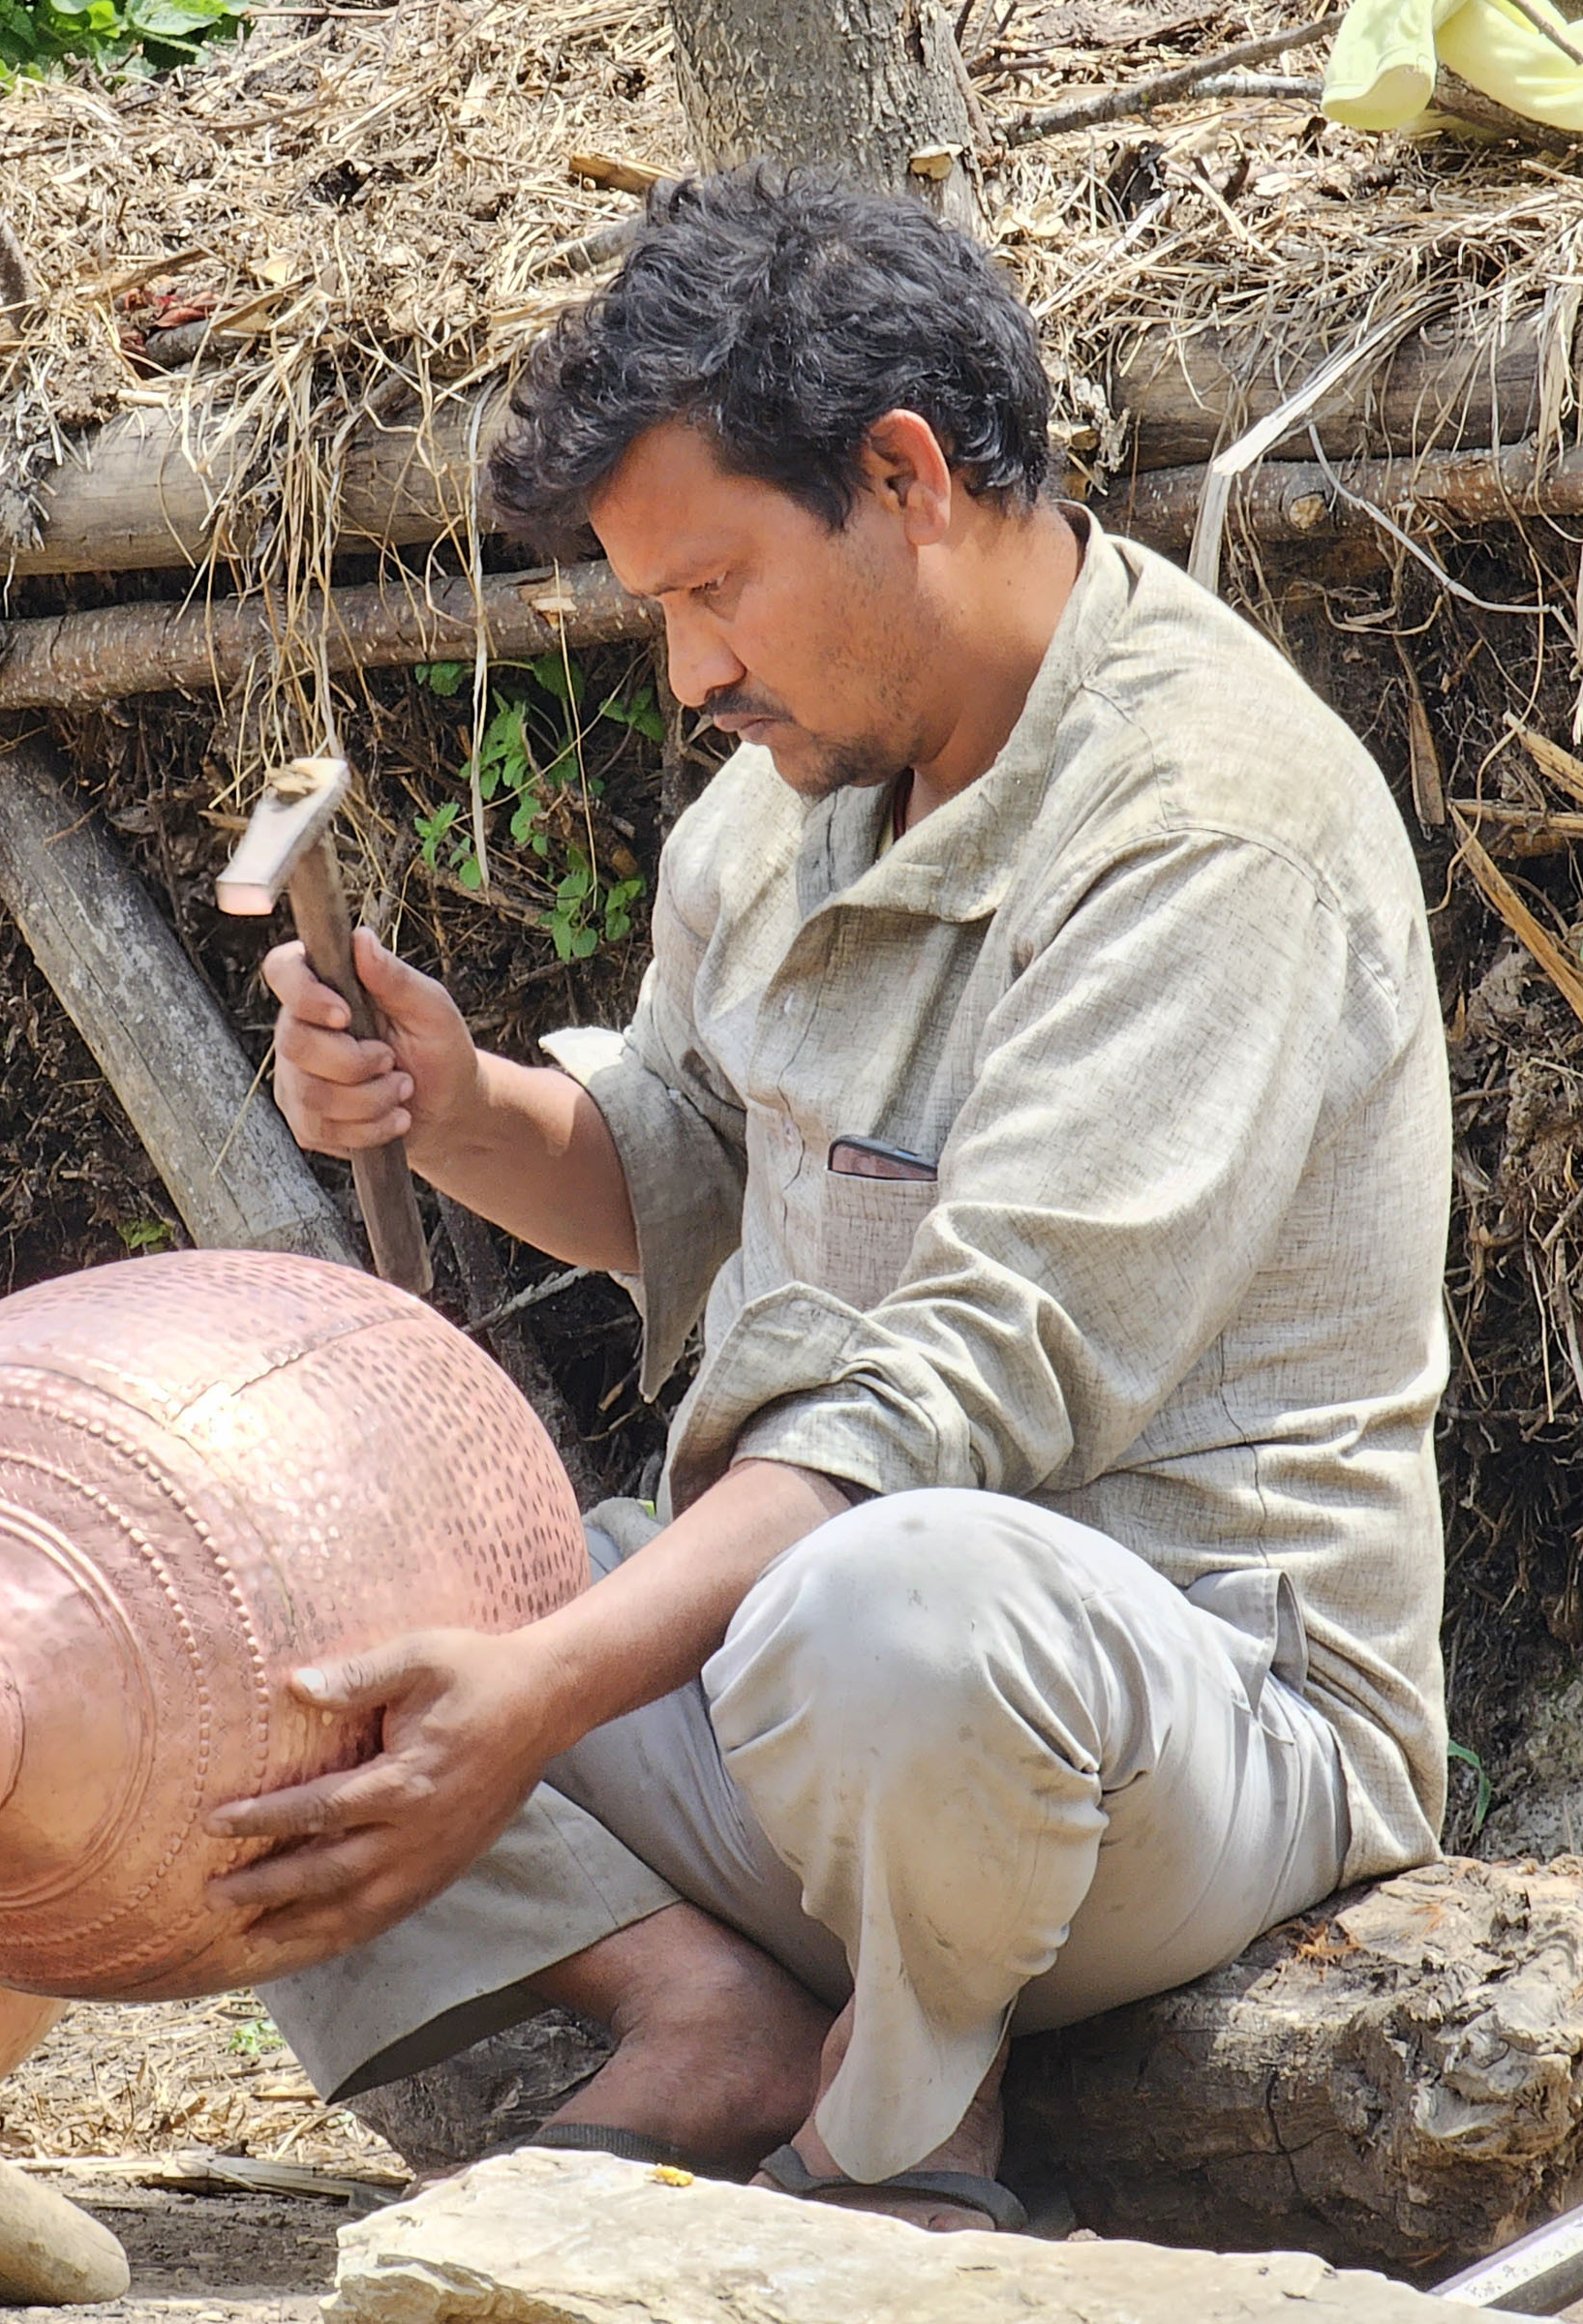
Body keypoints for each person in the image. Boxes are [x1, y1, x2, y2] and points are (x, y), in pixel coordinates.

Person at [198, 165, 1453, 2234]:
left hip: (1180, 1727)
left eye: (714, 591)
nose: (692, 674)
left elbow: (964, 1393)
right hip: (808, 1696)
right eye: (660, 616)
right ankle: (703, 2017)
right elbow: (690, 1175)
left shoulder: (1214, 825)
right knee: (257, 1615)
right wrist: (455, 1101)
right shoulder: (781, 811)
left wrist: (546, 1693)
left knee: (893, 1607)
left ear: (903, 475)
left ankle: (908, 2111)